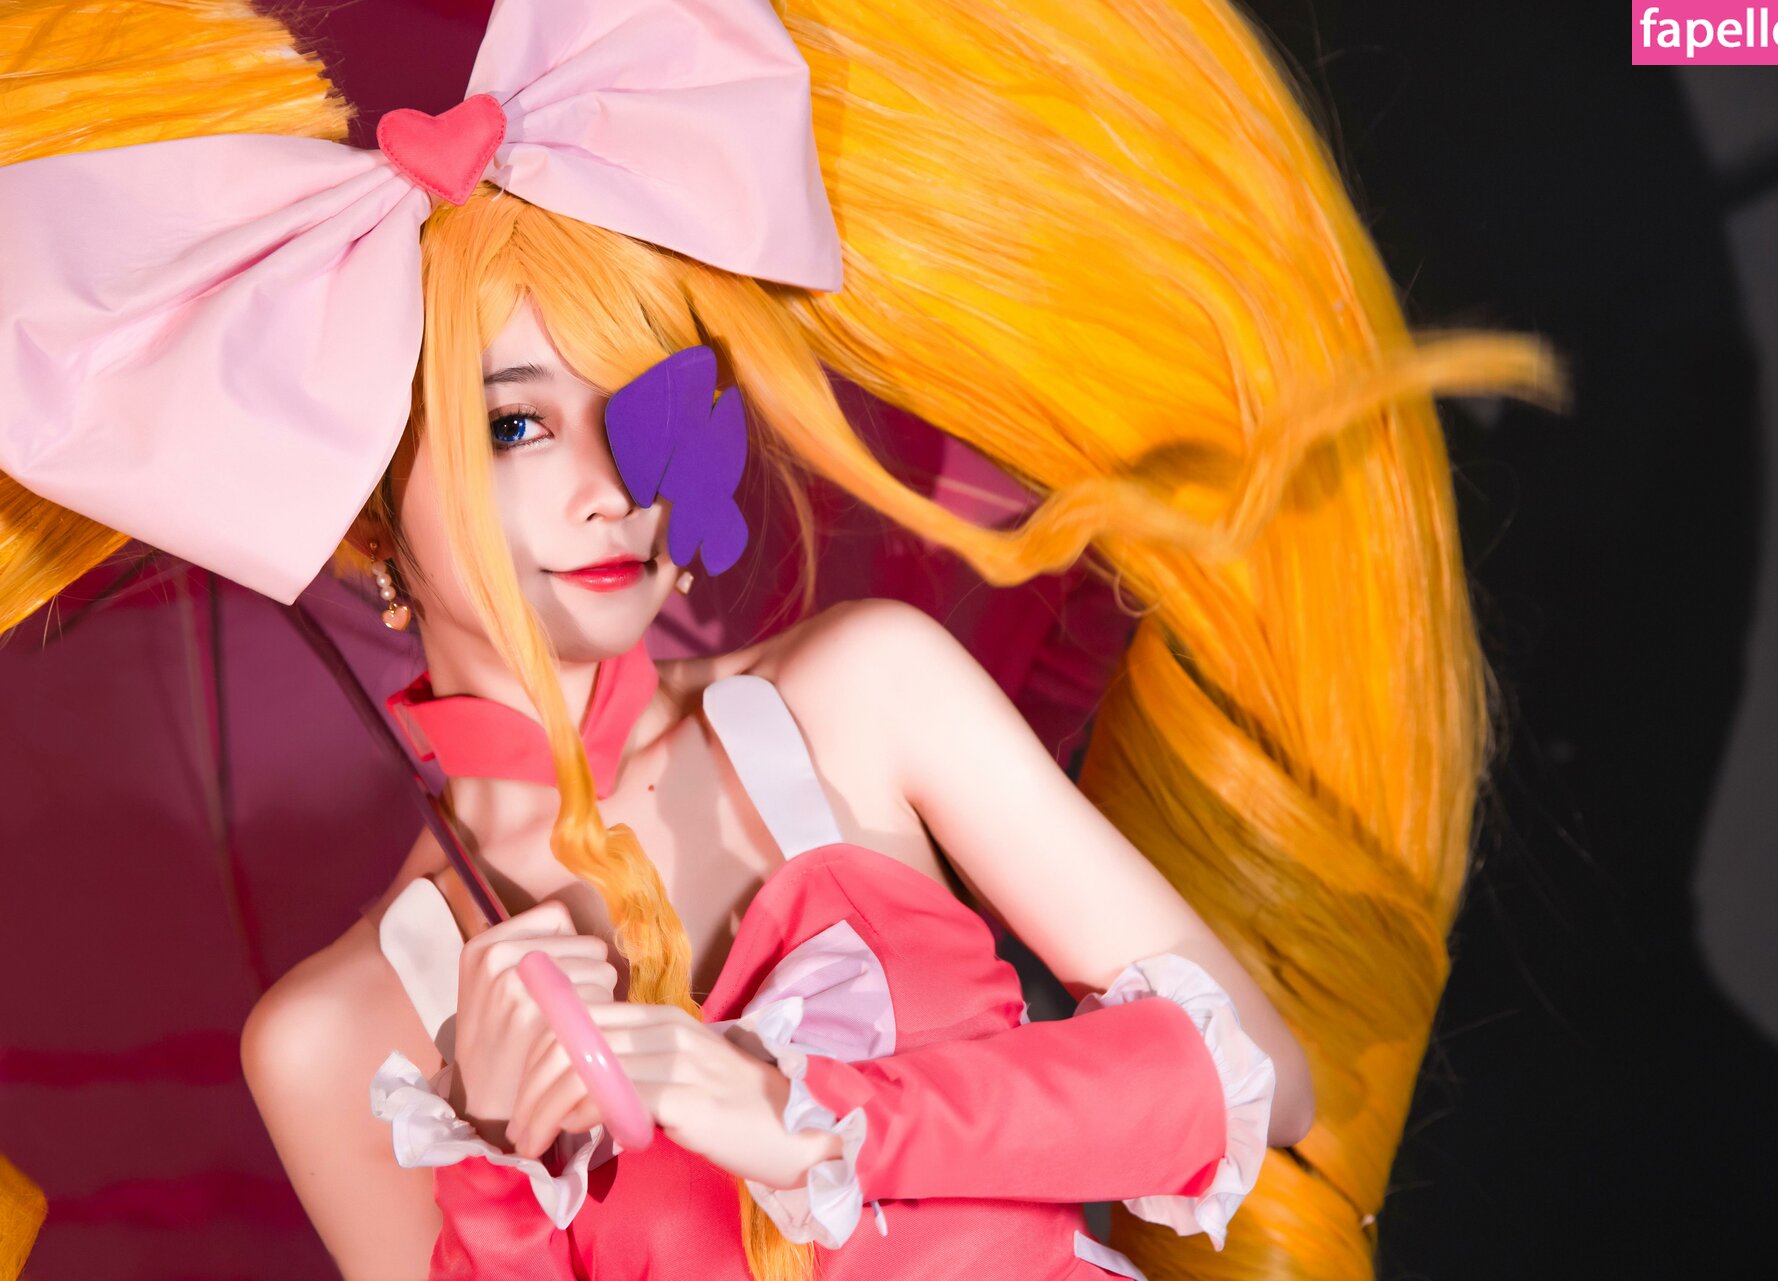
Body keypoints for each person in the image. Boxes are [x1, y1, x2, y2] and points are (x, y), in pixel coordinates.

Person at [0, 1, 1561, 1279]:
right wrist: (496, 1169)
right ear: (369, 502)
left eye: (641, 400)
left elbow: (1256, 1079)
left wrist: (816, 1118)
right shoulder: (337, 1033)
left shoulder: (859, 695)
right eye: (516, 424)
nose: (613, 485)